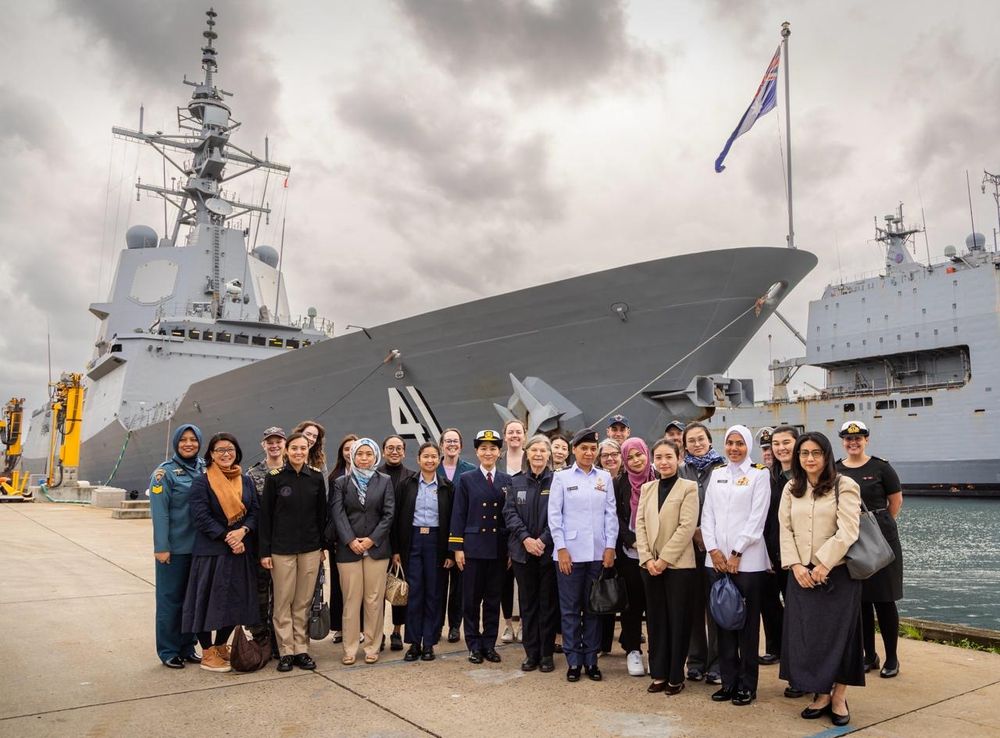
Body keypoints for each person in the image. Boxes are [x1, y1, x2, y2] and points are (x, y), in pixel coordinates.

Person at [780, 431, 864, 727]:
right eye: (804, 453)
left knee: (841, 638)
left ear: (827, 455)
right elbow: (784, 529)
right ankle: (820, 693)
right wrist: (795, 565)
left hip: (837, 576)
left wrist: (822, 563)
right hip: (801, 575)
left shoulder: (845, 485)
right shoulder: (791, 487)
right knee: (808, 638)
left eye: (816, 453)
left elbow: (849, 530)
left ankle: (839, 695)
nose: (810, 458)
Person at [701, 425, 770, 706]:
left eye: (740, 443)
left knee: (747, 626)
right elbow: (707, 516)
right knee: (722, 623)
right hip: (715, 562)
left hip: (748, 562)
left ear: (748, 446)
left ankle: (747, 684)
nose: (734, 448)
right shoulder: (717, 475)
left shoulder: (759, 475)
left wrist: (736, 551)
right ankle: (728, 681)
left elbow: (757, 518)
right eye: (730, 443)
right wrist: (714, 550)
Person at [182, 433, 260, 673]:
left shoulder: (246, 481)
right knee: (206, 602)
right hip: (212, 552)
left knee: (234, 601)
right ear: (211, 455)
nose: (226, 454)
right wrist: (229, 536)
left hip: (239, 551)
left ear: (237, 452)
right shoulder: (202, 482)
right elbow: (201, 516)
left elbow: (255, 511)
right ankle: (207, 652)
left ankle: (221, 645)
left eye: (230, 449)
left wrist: (243, 531)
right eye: (220, 450)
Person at [836, 420, 904, 679]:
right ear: (843, 441)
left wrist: (878, 527)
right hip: (851, 538)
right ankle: (868, 655)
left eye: (858, 438)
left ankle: (892, 658)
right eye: (848, 439)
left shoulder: (881, 467)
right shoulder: (836, 469)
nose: (853, 442)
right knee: (861, 601)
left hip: (881, 537)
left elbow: (895, 501)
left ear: (866, 440)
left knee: (885, 600)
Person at [549, 428, 618, 683]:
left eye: (592, 449)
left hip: (597, 554)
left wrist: (610, 547)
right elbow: (555, 516)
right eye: (584, 448)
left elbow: (610, 515)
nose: (589, 453)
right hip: (570, 554)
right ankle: (573, 661)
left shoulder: (604, 478)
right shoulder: (562, 478)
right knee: (569, 610)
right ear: (574, 450)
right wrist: (561, 548)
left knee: (593, 609)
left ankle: (591, 660)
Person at [635, 439, 699, 695]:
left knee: (678, 620)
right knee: (656, 621)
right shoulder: (648, 488)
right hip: (650, 565)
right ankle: (659, 673)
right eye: (659, 457)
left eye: (668, 457)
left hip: (678, 566)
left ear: (678, 457)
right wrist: (647, 558)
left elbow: (686, 527)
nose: (663, 462)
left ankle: (675, 676)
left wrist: (664, 560)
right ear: (653, 460)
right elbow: (639, 525)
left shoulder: (688, 488)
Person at [448, 429, 512, 664]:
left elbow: (509, 516)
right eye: (483, 448)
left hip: (497, 548)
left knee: (493, 599)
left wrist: (510, 550)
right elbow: (458, 514)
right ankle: (473, 645)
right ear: (476, 452)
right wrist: (457, 548)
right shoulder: (467, 479)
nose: (488, 452)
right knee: (471, 601)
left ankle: (489, 644)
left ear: (499, 452)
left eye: (493, 448)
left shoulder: (507, 481)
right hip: (473, 548)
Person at [330, 438, 395, 665]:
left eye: (369, 454)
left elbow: (388, 515)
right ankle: (349, 648)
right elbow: (338, 514)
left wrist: (371, 540)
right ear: (353, 456)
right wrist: (350, 540)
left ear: (375, 456)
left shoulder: (385, 481)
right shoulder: (341, 482)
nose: (364, 458)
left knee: (374, 600)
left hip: (376, 550)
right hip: (349, 551)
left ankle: (372, 647)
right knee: (351, 600)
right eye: (360, 454)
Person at [392, 442, 454, 662]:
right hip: (413, 541)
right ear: (418, 460)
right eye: (425, 456)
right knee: (414, 593)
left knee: (434, 594)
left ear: (439, 460)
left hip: (437, 542)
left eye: (433, 457)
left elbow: (453, 521)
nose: (429, 460)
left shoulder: (447, 486)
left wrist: (450, 552)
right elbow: (396, 517)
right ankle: (414, 643)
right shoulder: (406, 484)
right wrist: (396, 549)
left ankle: (429, 643)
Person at [151, 424, 205, 669]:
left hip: (200, 549)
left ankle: (187, 646)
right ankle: (168, 650)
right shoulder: (165, 473)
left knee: (192, 602)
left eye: (193, 439)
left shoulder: (205, 468)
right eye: (183, 439)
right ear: (175, 443)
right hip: (174, 549)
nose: (188, 444)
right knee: (170, 601)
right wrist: (162, 547)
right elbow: (160, 514)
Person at [504, 434, 558, 673]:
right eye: (534, 450)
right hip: (523, 554)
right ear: (527, 454)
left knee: (547, 604)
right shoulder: (516, 483)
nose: (538, 455)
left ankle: (546, 654)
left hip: (548, 553)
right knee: (528, 604)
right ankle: (531, 653)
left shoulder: (558, 482)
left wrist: (543, 540)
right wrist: (526, 539)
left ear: (549, 455)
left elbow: (560, 515)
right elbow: (510, 513)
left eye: (542, 451)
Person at [682, 421, 726, 684]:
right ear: (684, 445)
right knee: (693, 605)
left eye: (701, 439)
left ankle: (717, 662)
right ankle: (695, 660)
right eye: (691, 440)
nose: (697, 444)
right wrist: (694, 532)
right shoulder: (680, 470)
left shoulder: (722, 469)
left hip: (716, 547)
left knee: (717, 605)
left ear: (709, 440)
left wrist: (707, 536)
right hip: (688, 547)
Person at [760, 425, 802, 696]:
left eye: (786, 443)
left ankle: (798, 670)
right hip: (770, 552)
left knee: (798, 614)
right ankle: (775, 648)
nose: (780, 448)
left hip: (798, 556)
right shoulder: (767, 476)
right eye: (776, 444)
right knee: (769, 605)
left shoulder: (806, 475)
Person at [615, 437, 655, 677]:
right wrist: (631, 540)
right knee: (632, 604)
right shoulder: (620, 483)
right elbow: (615, 516)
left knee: (656, 605)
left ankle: (657, 650)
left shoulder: (659, 478)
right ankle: (633, 650)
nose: (635, 460)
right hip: (630, 553)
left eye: (638, 454)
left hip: (658, 553)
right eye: (629, 457)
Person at [245, 426, 286, 652]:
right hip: (262, 543)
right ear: (264, 445)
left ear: (284, 444)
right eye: (270, 442)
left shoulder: (292, 471)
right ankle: (260, 635)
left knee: (283, 593)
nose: (274, 445)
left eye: (278, 441)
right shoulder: (252, 474)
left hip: (287, 544)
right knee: (261, 591)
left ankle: (280, 638)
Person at [437, 428, 475, 644]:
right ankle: (437, 625)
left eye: (455, 441)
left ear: (461, 445)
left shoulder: (470, 471)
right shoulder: (433, 468)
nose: (451, 444)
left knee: (459, 587)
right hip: (439, 536)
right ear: (441, 445)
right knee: (438, 585)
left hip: (462, 536)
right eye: (447, 441)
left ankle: (454, 626)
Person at [379, 434, 416, 651]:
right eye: (390, 448)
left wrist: (399, 549)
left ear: (404, 452)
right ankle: (377, 633)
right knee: (376, 592)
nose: (394, 452)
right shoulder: (375, 475)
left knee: (400, 589)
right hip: (379, 542)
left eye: (398, 448)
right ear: (384, 451)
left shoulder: (411, 477)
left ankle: (396, 631)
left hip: (402, 542)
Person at [326, 433, 357, 644]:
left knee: (358, 587)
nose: (351, 453)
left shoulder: (372, 475)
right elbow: (331, 510)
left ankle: (359, 627)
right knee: (339, 585)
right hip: (339, 539)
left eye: (355, 448)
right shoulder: (333, 476)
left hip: (362, 538)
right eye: (347, 449)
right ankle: (339, 627)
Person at [596, 436, 624, 654]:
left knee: (627, 592)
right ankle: (603, 643)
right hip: (604, 544)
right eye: (605, 455)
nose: (610, 459)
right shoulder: (597, 479)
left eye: (614, 454)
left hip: (627, 544)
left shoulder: (627, 479)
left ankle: (628, 639)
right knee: (604, 592)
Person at [500, 419, 527, 643]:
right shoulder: (498, 460)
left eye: (518, 432)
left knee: (527, 580)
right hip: (501, 527)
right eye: (511, 432)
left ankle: (526, 623)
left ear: (524, 436)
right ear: (505, 436)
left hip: (527, 526)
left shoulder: (532, 458)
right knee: (505, 581)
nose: (515, 435)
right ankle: (508, 624)